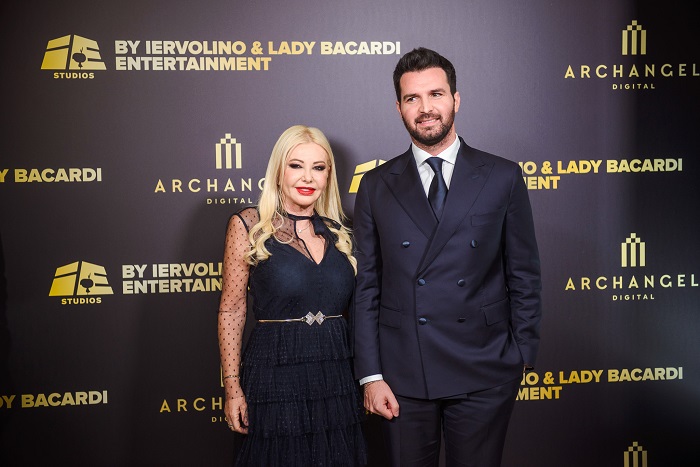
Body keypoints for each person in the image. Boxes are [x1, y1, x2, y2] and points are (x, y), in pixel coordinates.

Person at [352, 47, 542, 467]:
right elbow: (367, 286)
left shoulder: (502, 176)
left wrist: (522, 355)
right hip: (402, 373)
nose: (425, 108)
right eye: (412, 98)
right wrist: (371, 374)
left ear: (456, 99)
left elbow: (524, 273)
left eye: (435, 94)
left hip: (485, 368)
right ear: (399, 107)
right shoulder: (376, 185)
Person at [217, 125, 367, 466]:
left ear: (328, 175)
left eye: (318, 167)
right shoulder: (248, 225)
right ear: (278, 171)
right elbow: (232, 309)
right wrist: (232, 386)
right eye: (296, 165)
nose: (308, 177)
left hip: (336, 375)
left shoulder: (340, 232)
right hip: (275, 374)